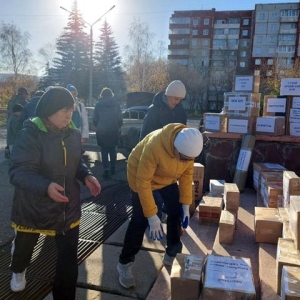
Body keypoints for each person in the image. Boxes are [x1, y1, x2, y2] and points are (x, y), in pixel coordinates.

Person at [8, 86, 101, 299]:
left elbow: (77, 163)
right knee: (24, 247)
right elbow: (18, 172)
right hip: (34, 206)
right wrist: (45, 186)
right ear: (48, 111)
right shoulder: (31, 134)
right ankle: (18, 270)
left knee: (68, 261)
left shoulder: (73, 134)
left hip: (67, 208)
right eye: (63, 111)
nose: (69, 115)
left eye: (71, 110)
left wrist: (86, 175)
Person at [117, 123, 203, 289]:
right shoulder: (155, 146)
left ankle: (172, 249)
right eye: (184, 158)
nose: (187, 161)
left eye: (189, 159)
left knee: (176, 209)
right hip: (140, 177)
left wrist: (186, 204)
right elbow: (143, 182)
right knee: (140, 219)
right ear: (175, 148)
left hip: (166, 178)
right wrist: (151, 215)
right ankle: (124, 263)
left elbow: (186, 176)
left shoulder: (188, 150)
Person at [139, 80, 187, 220]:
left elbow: (183, 132)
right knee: (155, 192)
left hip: (172, 157)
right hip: (155, 156)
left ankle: (166, 215)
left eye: (180, 100)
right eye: (175, 98)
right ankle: (155, 219)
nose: (177, 102)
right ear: (168, 95)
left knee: (170, 191)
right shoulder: (154, 110)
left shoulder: (180, 111)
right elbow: (145, 134)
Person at [93, 87, 123, 179]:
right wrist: (118, 126)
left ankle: (106, 169)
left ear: (102, 95)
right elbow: (120, 118)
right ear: (111, 94)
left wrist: (98, 125)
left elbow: (95, 119)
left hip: (102, 130)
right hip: (114, 129)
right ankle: (113, 167)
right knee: (113, 149)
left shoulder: (98, 105)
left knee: (104, 150)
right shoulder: (116, 104)